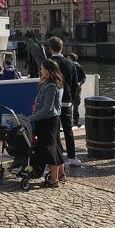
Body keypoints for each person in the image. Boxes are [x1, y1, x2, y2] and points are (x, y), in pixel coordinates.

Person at [29, 59, 66, 188]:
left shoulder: (51, 86)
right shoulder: (54, 83)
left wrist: (32, 118)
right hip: (53, 119)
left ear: (48, 71)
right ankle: (61, 174)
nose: (40, 71)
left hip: (48, 121)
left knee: (49, 147)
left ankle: (54, 180)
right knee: (56, 147)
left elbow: (47, 108)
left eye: (42, 69)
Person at [48, 36, 81, 167]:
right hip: (66, 101)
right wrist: (70, 99)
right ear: (62, 48)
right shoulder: (70, 64)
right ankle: (72, 157)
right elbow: (74, 85)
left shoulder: (48, 63)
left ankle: (57, 157)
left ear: (50, 48)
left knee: (53, 131)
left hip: (51, 102)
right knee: (68, 130)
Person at [66, 53, 86, 127]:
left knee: (69, 106)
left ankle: (70, 122)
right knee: (75, 106)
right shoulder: (80, 66)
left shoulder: (71, 66)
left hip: (71, 88)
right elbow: (84, 78)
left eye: (68, 58)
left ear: (71, 59)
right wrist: (80, 83)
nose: (66, 59)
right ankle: (75, 122)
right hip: (77, 88)